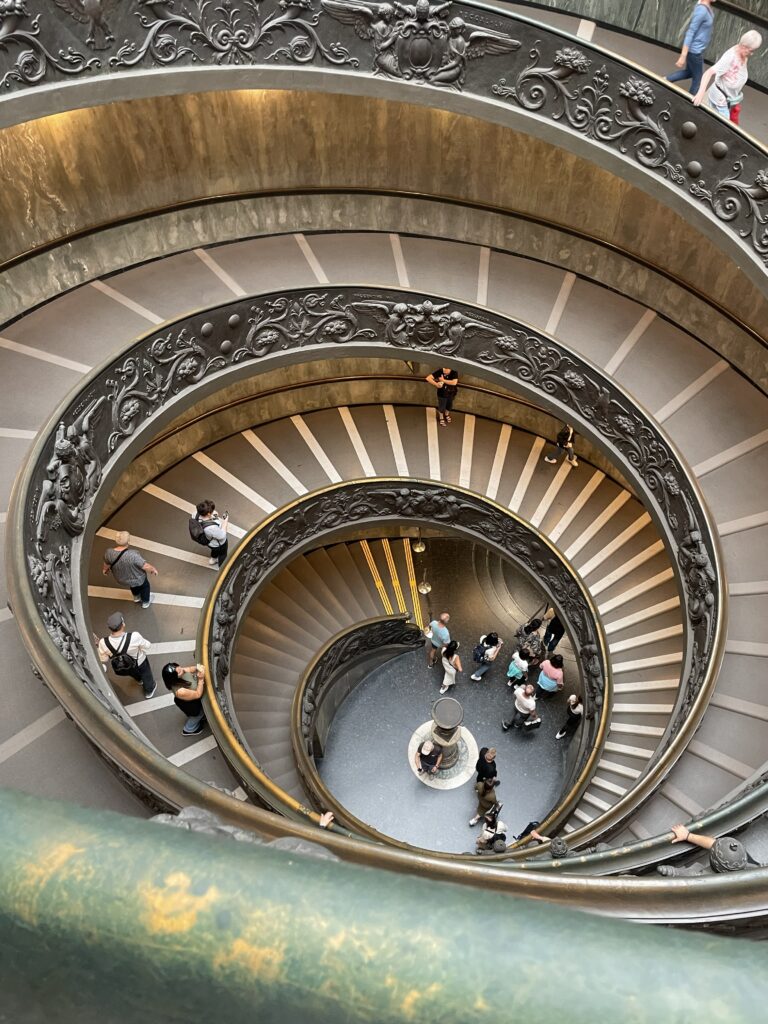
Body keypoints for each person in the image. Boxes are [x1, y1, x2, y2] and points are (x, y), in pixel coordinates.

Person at [693, 30, 763, 124]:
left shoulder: (742, 54)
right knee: (724, 127)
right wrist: (700, 94)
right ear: (743, 46)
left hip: (726, 98)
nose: (752, 54)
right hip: (721, 99)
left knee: (710, 121)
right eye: (751, 50)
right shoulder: (730, 57)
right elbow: (709, 73)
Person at [657, 824, 761, 876]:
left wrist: (674, 872)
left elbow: (715, 845)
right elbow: (714, 844)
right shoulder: (742, 860)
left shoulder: (701, 875)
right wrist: (687, 835)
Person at [97, 612, 157, 698]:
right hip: (139, 661)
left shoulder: (103, 642)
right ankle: (149, 690)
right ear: (123, 624)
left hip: (124, 665)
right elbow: (147, 646)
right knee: (146, 674)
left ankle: (139, 680)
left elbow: (104, 659)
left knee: (132, 672)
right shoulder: (134, 636)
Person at [666, 0, 715, 95]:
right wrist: (683, 56)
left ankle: (666, 79)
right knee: (698, 80)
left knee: (689, 72)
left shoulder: (706, 7)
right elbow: (690, 32)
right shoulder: (702, 10)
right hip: (695, 51)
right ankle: (690, 100)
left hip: (697, 50)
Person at [102, 531, 158, 609]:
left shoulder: (109, 552)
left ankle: (136, 597)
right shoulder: (133, 554)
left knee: (132, 585)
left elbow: (106, 564)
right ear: (128, 541)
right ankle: (145, 602)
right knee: (144, 587)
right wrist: (153, 569)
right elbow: (144, 566)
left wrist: (104, 570)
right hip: (137, 578)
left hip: (122, 579)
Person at [162, 662, 207, 736]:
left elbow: (189, 669)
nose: (182, 669)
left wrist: (198, 667)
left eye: (179, 667)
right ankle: (189, 729)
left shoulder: (178, 671)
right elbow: (198, 694)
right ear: (174, 678)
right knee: (199, 713)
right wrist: (201, 679)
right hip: (190, 704)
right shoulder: (180, 691)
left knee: (199, 713)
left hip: (190, 699)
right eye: (179, 671)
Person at [193, 499, 230, 570]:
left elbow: (212, 516)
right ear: (208, 514)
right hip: (219, 543)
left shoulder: (195, 514)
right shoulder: (211, 528)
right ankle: (222, 568)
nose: (214, 511)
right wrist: (225, 520)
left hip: (210, 542)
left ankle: (213, 559)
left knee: (215, 550)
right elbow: (222, 536)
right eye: (212, 511)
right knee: (222, 554)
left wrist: (214, 515)